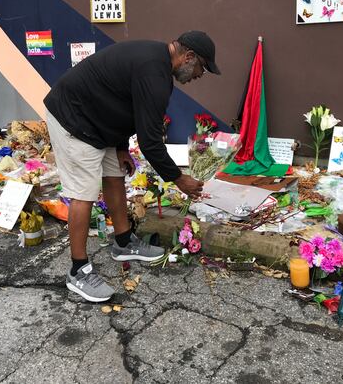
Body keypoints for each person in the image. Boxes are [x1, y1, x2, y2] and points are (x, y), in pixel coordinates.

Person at [44, 30, 220, 302]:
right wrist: (178, 179)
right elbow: (150, 141)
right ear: (189, 56)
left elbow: (123, 103)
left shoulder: (155, 63)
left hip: (96, 121)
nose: (199, 75)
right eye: (202, 68)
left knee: (114, 174)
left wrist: (122, 147)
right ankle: (78, 271)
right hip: (73, 119)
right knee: (85, 193)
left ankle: (124, 242)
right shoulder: (154, 71)